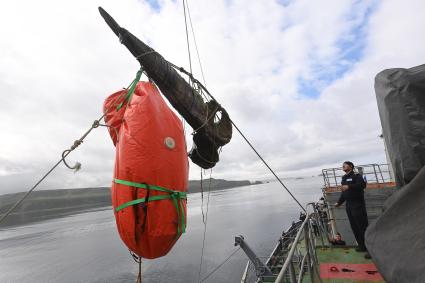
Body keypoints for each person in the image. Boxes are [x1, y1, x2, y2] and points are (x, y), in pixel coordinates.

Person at [334, 161, 369, 254]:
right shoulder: (344, 178)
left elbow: (362, 185)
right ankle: (362, 246)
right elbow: (344, 193)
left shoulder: (356, 176)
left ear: (351, 166)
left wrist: (349, 186)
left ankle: (370, 249)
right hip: (349, 205)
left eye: (345, 165)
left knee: (362, 226)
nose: (343, 166)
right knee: (355, 226)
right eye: (342, 165)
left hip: (357, 204)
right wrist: (339, 202)